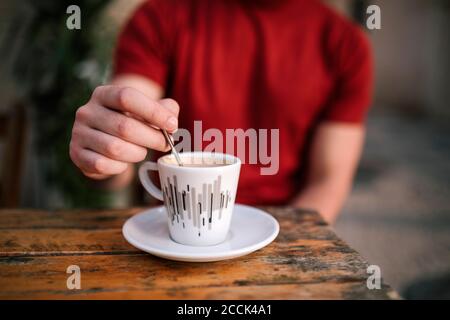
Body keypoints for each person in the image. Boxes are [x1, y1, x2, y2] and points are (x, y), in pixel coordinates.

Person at [69, 0, 373, 223]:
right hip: (175, 231)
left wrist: (276, 252)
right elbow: (126, 127)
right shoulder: (161, 16)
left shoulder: (345, 45)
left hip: (281, 230)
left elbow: (329, 181)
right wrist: (106, 152)